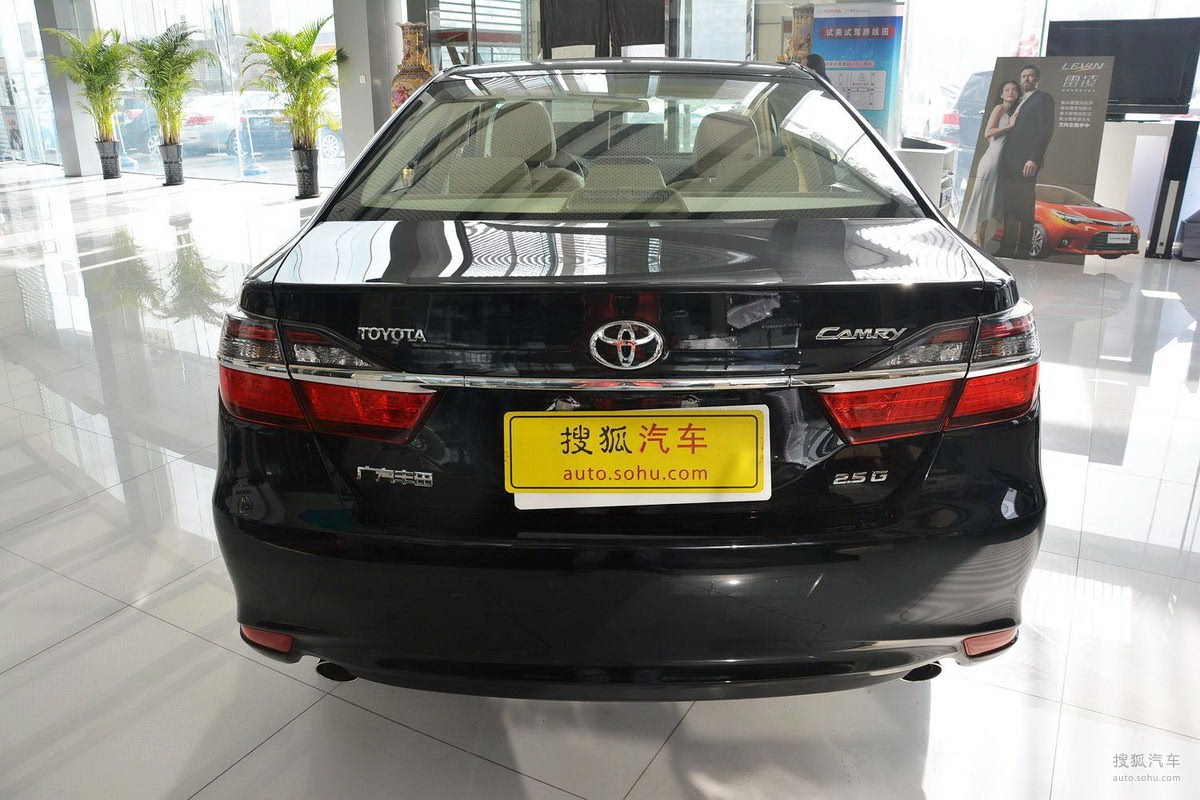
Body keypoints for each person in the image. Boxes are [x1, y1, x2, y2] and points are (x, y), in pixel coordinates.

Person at [996, 64, 1055, 259]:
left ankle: (1023, 250)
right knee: (1009, 206)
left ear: (1038, 79)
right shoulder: (1017, 100)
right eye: (1023, 76)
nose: (1026, 79)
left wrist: (1034, 159)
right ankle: (1006, 248)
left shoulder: (1044, 99)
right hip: (1008, 161)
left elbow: (1045, 130)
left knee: (1025, 207)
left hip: (1026, 162)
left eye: (1030, 76)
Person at [959, 80, 1021, 246]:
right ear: (1001, 94)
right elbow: (988, 133)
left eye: (1014, 90)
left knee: (990, 202)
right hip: (991, 160)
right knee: (982, 198)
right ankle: (975, 235)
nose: (1011, 92)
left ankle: (980, 238)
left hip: (1000, 163)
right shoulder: (999, 108)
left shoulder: (1014, 112)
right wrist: (1010, 126)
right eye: (1007, 90)